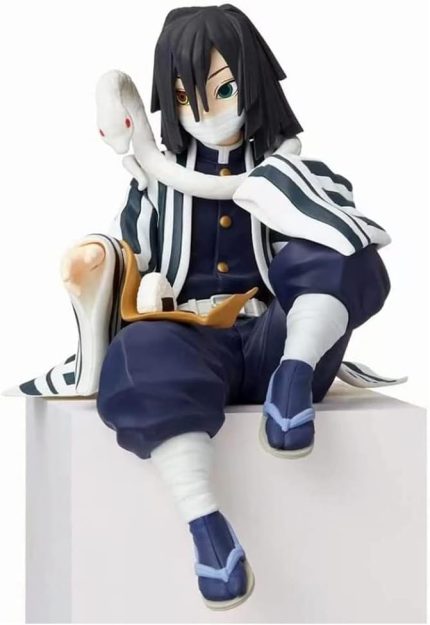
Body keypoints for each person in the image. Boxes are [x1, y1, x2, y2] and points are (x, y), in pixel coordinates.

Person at [12, 5, 392, 610]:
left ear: (253, 82)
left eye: (224, 89)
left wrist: (298, 223)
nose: (206, 113)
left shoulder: (299, 174)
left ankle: (292, 384)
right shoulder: (154, 187)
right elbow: (133, 256)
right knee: (139, 353)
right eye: (187, 97)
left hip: (276, 340)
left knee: (341, 252)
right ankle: (208, 530)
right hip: (194, 343)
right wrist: (135, 280)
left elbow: (343, 246)